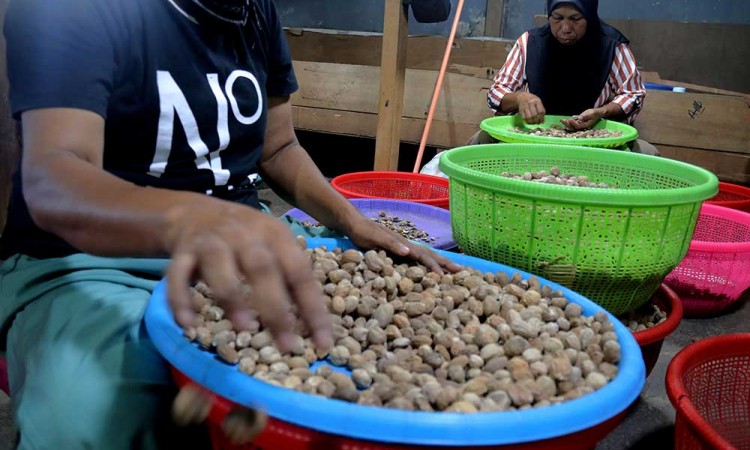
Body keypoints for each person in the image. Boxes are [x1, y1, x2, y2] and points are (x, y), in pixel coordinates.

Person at [0, 0, 460, 448]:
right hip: (89, 258)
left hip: (236, 234)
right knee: (90, 410)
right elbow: (53, 180)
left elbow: (277, 149)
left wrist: (353, 222)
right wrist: (187, 216)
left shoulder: (254, 10)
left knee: (410, 295)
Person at [477, 0, 657, 155]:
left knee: (649, 153)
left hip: (591, 140)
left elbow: (633, 94)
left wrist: (602, 112)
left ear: (590, 16)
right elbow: (496, 93)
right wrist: (519, 98)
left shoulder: (611, 46)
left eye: (575, 19)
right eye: (557, 18)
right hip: (532, 136)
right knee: (479, 141)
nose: (565, 28)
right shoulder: (530, 42)